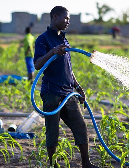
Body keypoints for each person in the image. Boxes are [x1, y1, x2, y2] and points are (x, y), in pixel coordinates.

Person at [34, 6, 98, 168]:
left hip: (68, 94)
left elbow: (68, 68)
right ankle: (52, 164)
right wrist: (52, 52)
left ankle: (86, 163)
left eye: (69, 19)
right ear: (55, 17)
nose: (68, 21)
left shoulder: (64, 39)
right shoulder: (43, 39)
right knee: (52, 133)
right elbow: (37, 64)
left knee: (81, 127)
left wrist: (78, 87)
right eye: (65, 18)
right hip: (52, 94)